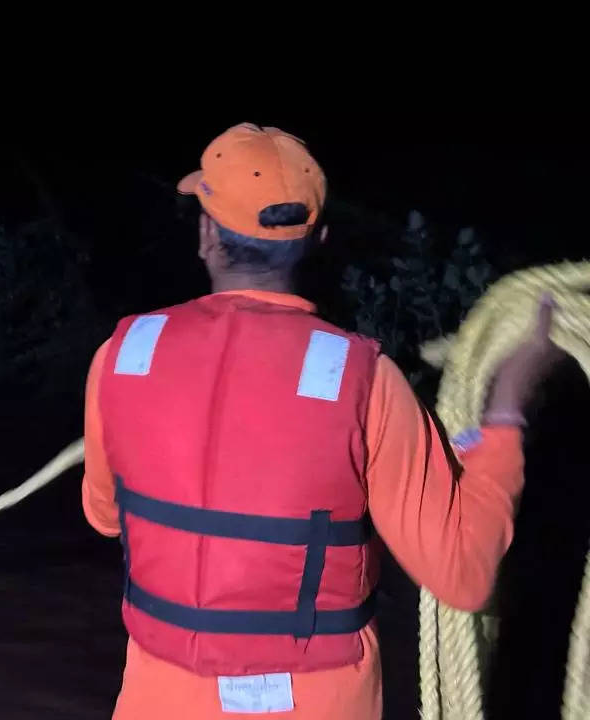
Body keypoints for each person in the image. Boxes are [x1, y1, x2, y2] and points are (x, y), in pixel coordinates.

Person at [81, 123, 567, 719]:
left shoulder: (122, 357)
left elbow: (104, 515)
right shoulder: (362, 380)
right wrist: (508, 407)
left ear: (208, 234)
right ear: (319, 241)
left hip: (161, 700)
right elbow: (463, 573)